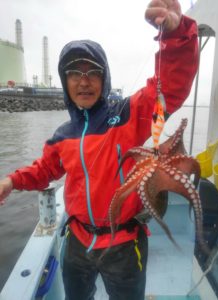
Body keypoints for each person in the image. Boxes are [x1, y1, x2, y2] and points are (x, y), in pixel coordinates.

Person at [0, 1, 199, 299]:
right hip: (78, 243)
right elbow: (45, 170)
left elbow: (169, 87)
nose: (83, 81)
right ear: (64, 80)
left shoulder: (129, 113)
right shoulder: (61, 136)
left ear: (104, 78)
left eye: (93, 72)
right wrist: (11, 181)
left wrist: (177, 36)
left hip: (123, 245)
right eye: (73, 73)